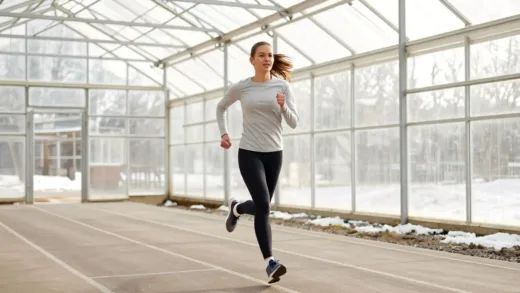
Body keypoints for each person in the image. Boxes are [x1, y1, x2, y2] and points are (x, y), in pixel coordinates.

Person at [215, 41, 298, 284]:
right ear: (252, 60)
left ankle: (237, 208)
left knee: (263, 207)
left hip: (274, 153)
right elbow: (221, 108)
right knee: (263, 203)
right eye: (261, 55)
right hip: (249, 152)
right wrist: (224, 133)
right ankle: (270, 263)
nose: (267, 59)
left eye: (270, 55)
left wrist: (283, 107)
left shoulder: (282, 85)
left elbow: (294, 122)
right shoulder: (242, 88)